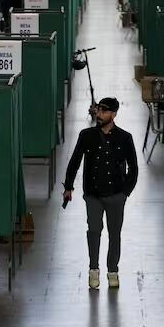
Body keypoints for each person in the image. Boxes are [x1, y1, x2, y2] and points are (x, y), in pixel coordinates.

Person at [63, 97, 138, 289]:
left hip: (116, 195)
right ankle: (93, 270)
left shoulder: (125, 138)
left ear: (113, 114)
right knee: (94, 231)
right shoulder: (86, 135)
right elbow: (75, 161)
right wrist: (68, 187)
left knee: (115, 234)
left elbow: (134, 168)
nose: (99, 114)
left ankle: (113, 271)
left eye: (104, 111)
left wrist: (125, 193)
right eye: (98, 110)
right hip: (93, 194)